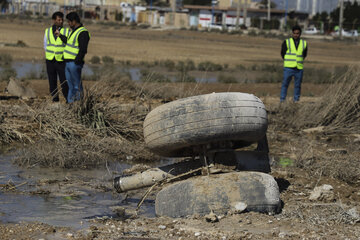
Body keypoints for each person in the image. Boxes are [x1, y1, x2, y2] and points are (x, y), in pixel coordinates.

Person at [58, 12, 90, 103]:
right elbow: (68, 42)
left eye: (69, 22)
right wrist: (60, 36)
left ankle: (78, 104)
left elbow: (83, 49)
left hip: (74, 63)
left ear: (74, 21)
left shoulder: (83, 32)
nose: (68, 24)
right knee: (70, 86)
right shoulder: (74, 31)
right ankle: (70, 103)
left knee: (76, 86)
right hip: (68, 63)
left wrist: (77, 61)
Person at [44, 11, 70, 102]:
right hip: (50, 60)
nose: (61, 21)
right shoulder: (47, 31)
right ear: (54, 20)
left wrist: (61, 36)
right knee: (52, 82)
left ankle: (68, 100)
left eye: (62, 20)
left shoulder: (66, 31)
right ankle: (55, 101)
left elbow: (69, 43)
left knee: (64, 82)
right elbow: (45, 45)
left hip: (61, 61)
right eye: (59, 19)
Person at [280, 25, 308, 102]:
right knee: (285, 84)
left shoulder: (304, 43)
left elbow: (304, 54)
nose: (296, 35)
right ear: (292, 33)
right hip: (288, 68)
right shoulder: (287, 42)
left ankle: (296, 100)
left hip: (299, 68)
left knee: (297, 86)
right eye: (294, 33)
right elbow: (282, 53)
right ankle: (282, 100)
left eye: (297, 33)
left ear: (300, 34)